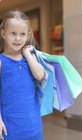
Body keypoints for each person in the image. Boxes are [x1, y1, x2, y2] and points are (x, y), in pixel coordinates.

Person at [0, 10, 45, 140]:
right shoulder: (2, 61)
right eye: (13, 33)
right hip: (10, 128)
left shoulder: (30, 58)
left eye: (22, 34)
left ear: (28, 35)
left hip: (33, 126)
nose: (18, 38)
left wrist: (27, 55)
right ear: (3, 34)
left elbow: (40, 75)